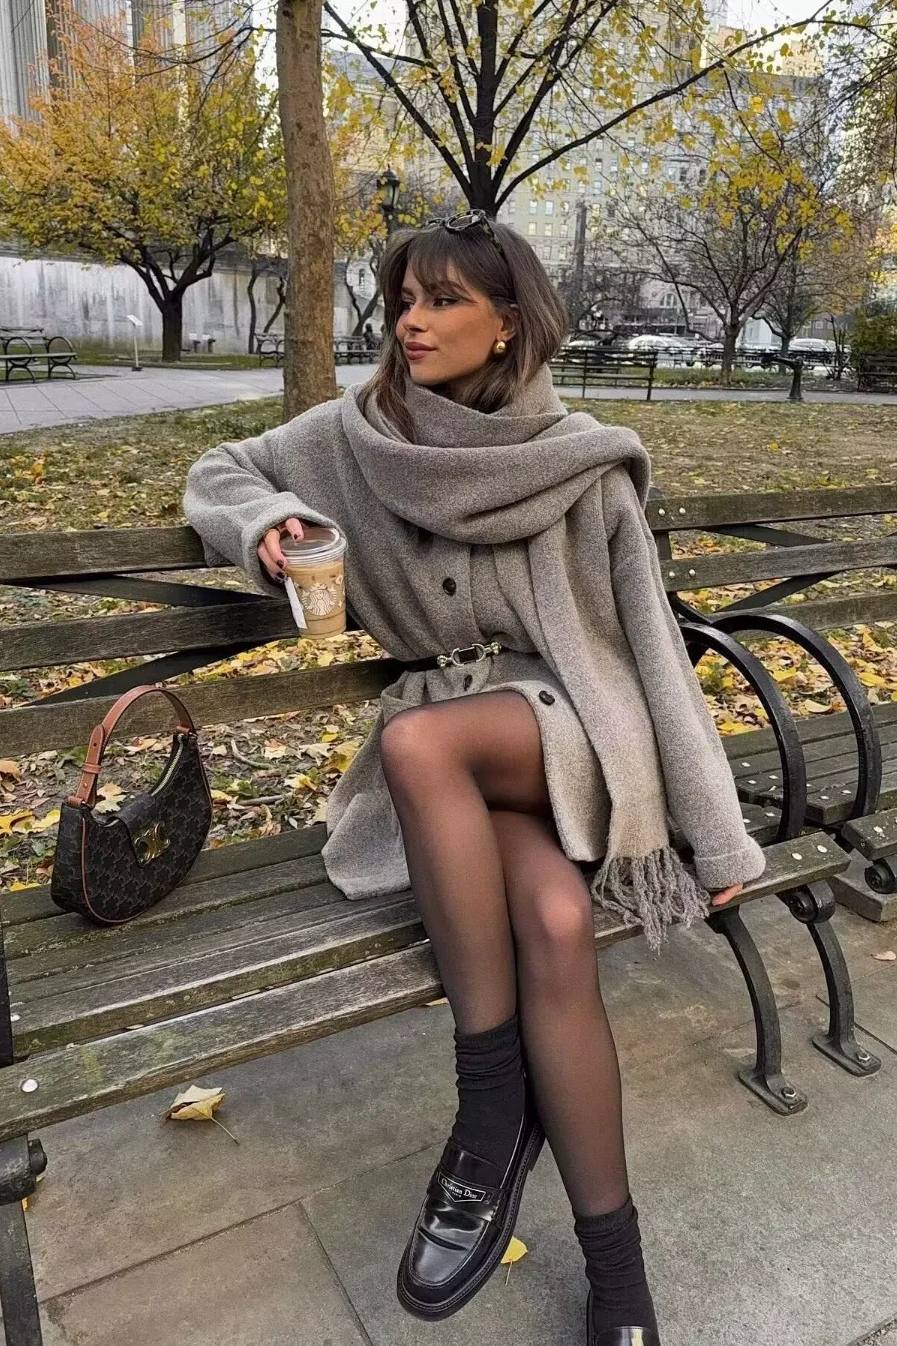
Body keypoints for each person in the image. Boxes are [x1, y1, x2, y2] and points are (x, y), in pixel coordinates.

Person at [182, 209, 766, 1346]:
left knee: (418, 743)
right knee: (552, 918)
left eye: (444, 299)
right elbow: (220, 468)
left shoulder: (582, 462)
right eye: (405, 298)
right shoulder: (352, 437)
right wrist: (270, 521)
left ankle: (488, 1106)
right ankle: (622, 1281)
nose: (412, 319)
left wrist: (717, 835)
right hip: (455, 751)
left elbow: (654, 650)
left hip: (571, 728)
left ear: (507, 323)